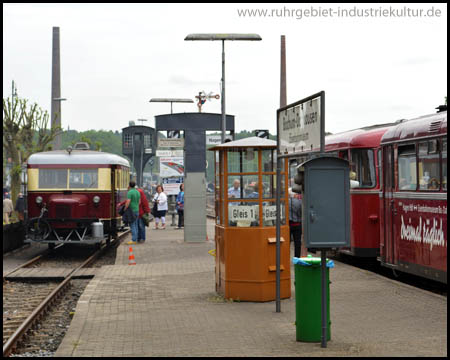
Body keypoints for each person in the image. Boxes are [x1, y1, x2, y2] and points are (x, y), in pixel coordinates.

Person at [288, 189, 303, 258]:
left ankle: (286, 258)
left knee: (287, 243)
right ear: (294, 194)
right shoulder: (299, 202)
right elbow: (301, 213)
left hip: (288, 225)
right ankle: (297, 258)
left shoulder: (285, 201)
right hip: (297, 224)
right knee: (297, 243)